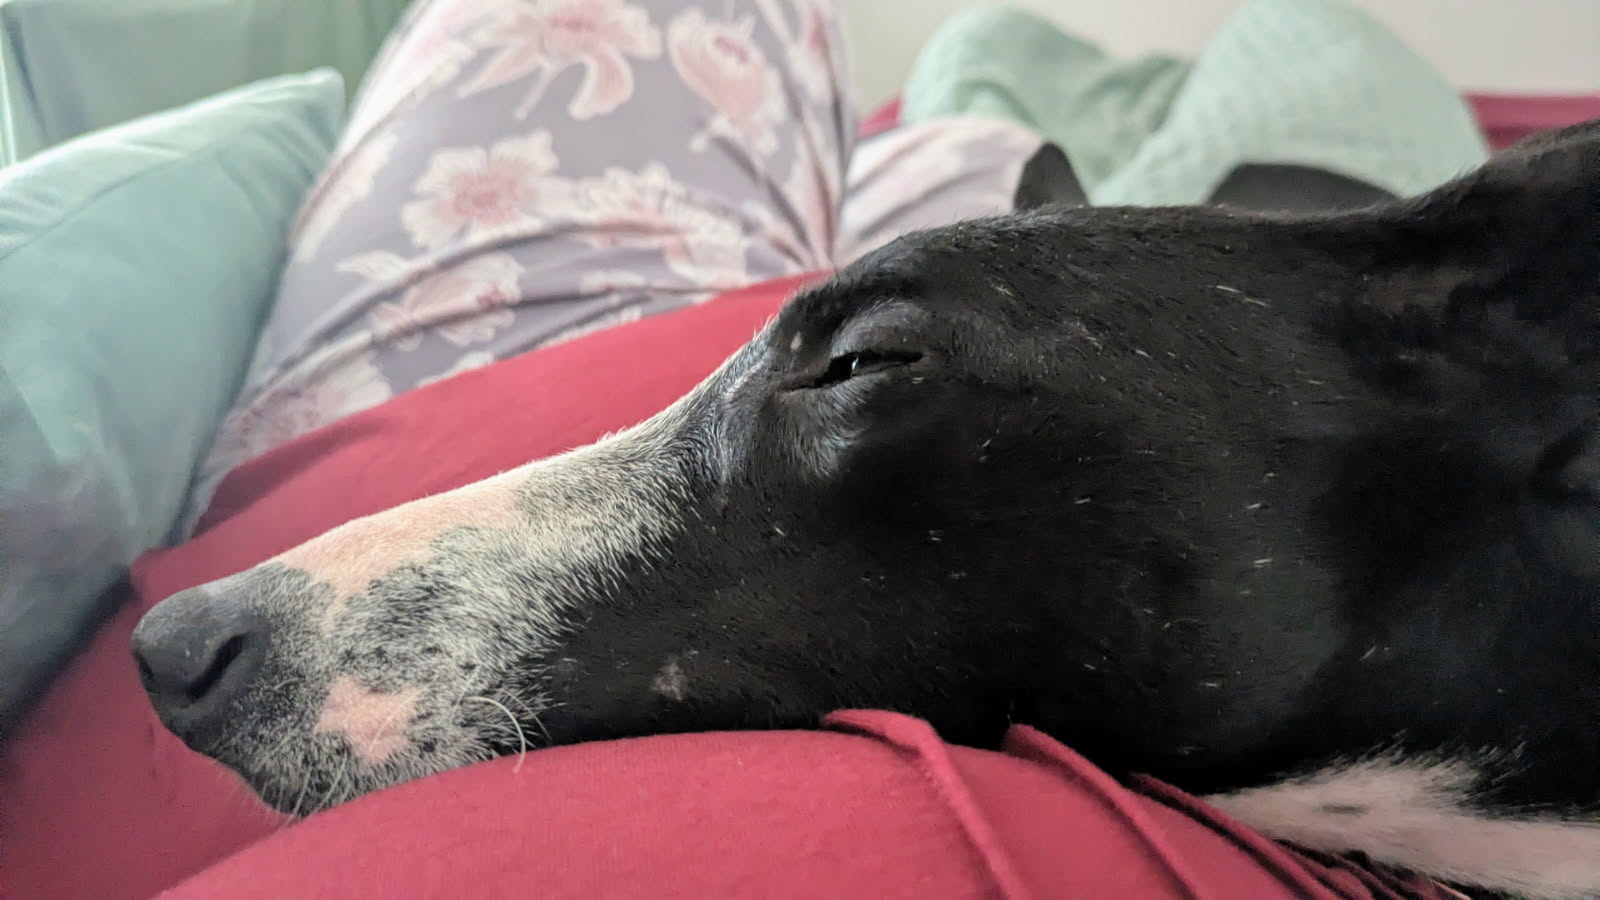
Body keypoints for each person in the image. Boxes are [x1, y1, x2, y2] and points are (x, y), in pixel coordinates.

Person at [168, 2, 1456, 896]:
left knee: (1156, 53)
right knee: (987, 75)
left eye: (854, 371)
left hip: (1285, 251)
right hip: (1192, 263)